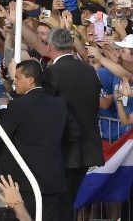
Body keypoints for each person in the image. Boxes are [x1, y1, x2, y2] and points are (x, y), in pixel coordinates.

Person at [0, 59, 79, 221]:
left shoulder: (17, 106)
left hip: (26, 180)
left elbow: (1, 136)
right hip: (53, 177)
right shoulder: (59, 103)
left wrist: (3, 108)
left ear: (30, 80)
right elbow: (75, 134)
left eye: (17, 78)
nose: (15, 82)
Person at [40, 27, 105, 216]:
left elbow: (47, 111)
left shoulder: (51, 73)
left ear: (50, 46)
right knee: (70, 201)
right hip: (86, 149)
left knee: (61, 205)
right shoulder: (89, 71)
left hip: (62, 150)